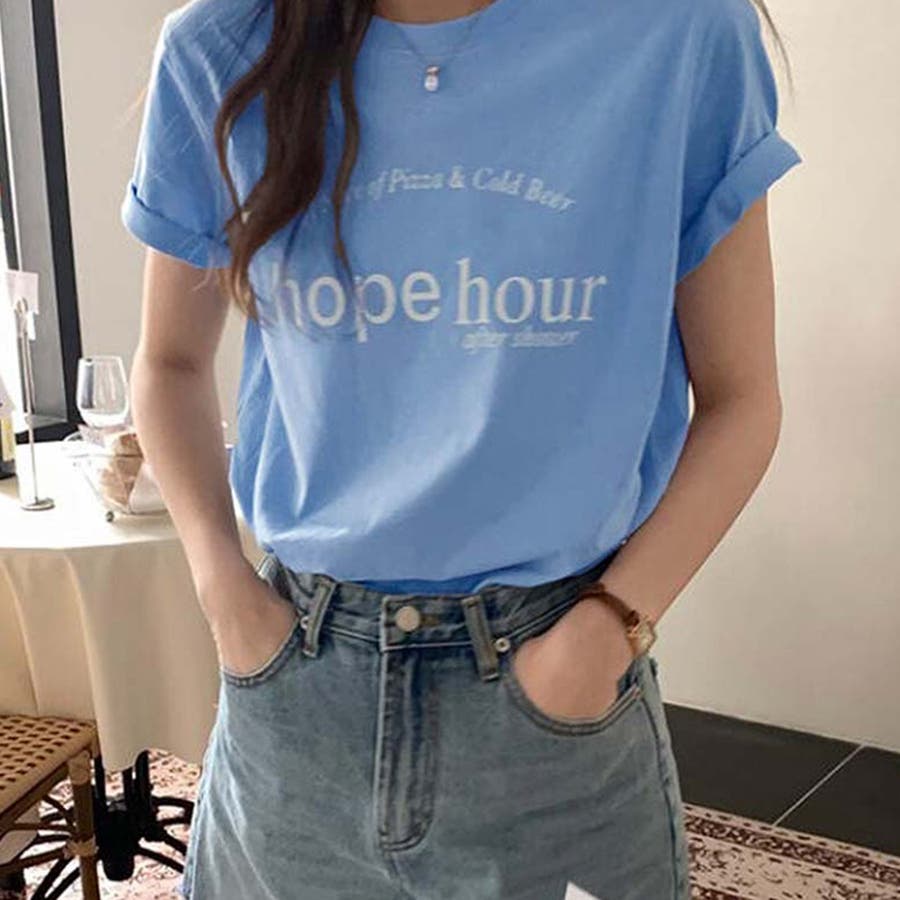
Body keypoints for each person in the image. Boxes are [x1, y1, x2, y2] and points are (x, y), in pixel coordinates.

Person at [121, 0, 802, 896]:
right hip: (297, 689)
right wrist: (224, 592)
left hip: (556, 682)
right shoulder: (223, 47)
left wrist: (607, 631)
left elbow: (741, 400)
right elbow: (169, 364)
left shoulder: (679, 35)